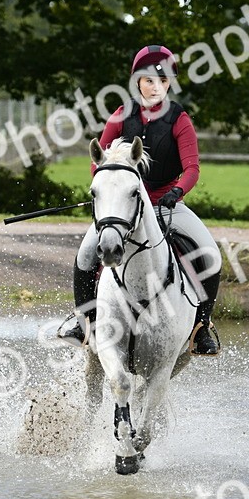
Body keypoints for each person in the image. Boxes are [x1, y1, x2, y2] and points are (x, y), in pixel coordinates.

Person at [57, 44, 223, 356]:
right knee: (84, 257)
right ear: (138, 82)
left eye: (162, 81)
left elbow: (192, 168)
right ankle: (84, 322)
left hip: (165, 203)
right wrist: (110, 190)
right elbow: (99, 161)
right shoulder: (120, 117)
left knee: (211, 255)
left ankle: (201, 328)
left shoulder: (180, 121)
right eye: (148, 80)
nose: (155, 86)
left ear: (169, 83)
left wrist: (178, 191)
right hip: (123, 209)